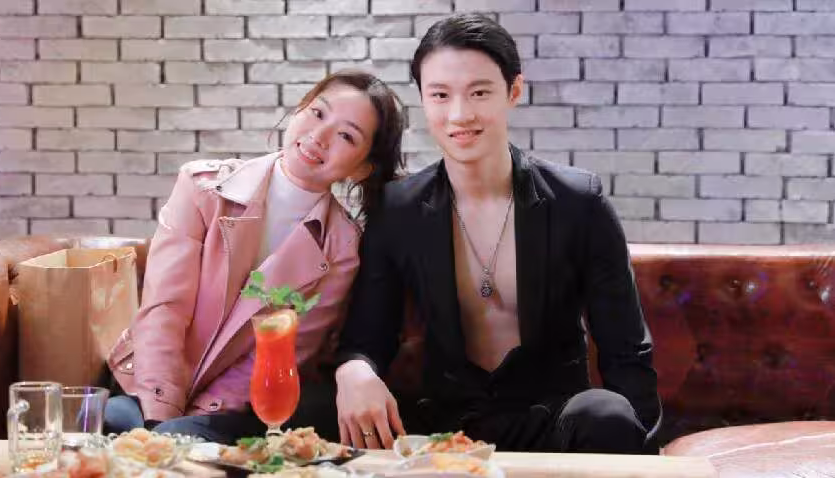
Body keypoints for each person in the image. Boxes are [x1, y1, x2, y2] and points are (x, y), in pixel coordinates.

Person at [333, 14, 661, 454]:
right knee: (317, 413)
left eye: (479, 92)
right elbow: (366, 338)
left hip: (553, 420)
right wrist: (354, 370)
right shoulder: (398, 209)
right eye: (440, 95)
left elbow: (626, 351)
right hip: (444, 425)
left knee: (606, 414)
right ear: (423, 99)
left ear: (514, 91)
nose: (459, 114)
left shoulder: (578, 202)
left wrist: (647, 456)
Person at [103, 70, 404, 445]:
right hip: (149, 385)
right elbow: (165, 308)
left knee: (170, 440)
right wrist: (161, 418)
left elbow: (282, 353)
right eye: (318, 113)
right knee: (108, 422)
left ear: (362, 167)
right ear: (299, 109)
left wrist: (189, 426)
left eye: (347, 136)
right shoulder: (202, 189)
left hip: (234, 408)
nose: (320, 136)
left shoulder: (342, 248)